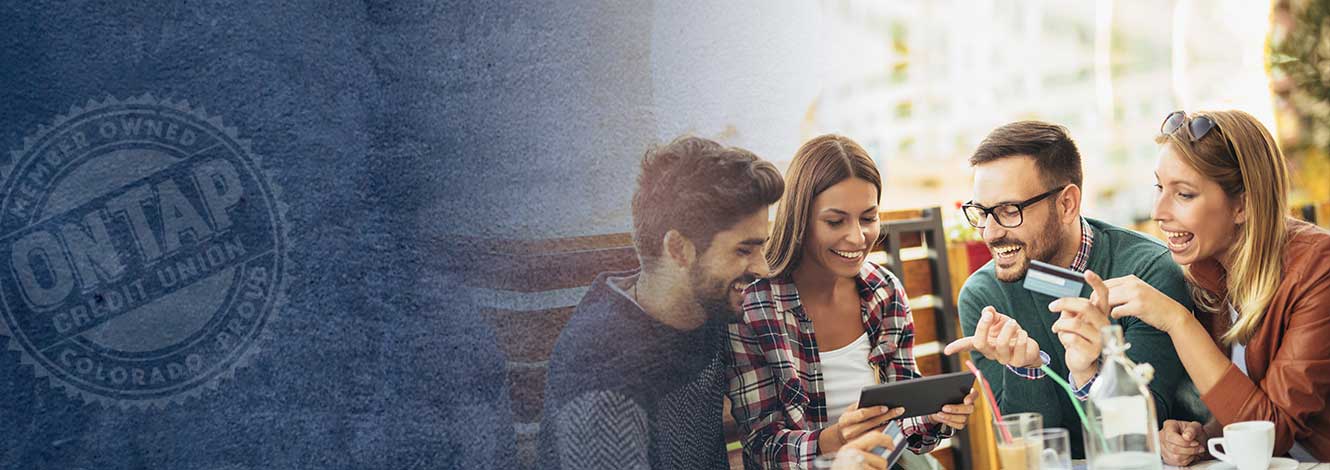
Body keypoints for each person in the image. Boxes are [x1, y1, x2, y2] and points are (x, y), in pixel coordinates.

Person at [1065, 110, 1330, 464]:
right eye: (1160, 187)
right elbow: (1241, 404)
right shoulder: (1206, 272)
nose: (1158, 211)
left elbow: (1270, 431)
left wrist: (1177, 321)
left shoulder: (1318, 269)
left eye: (1184, 195)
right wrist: (1200, 436)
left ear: (1243, 205)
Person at [942, 121, 1207, 458]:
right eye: (982, 212)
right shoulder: (984, 297)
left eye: (1010, 211)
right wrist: (1027, 370)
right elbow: (1028, 453)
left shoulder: (1147, 272)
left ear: (1067, 204)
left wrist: (1096, 370)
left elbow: (1144, 430)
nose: (990, 233)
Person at [727, 134, 976, 469]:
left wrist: (933, 414)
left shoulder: (883, 291)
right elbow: (763, 447)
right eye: (835, 221)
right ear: (801, 220)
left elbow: (906, 426)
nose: (858, 237)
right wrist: (837, 440)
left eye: (869, 218)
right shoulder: (753, 308)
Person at [539, 136, 784, 469]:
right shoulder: (602, 373)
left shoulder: (707, 305)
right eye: (744, 250)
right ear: (678, 249)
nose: (762, 268)